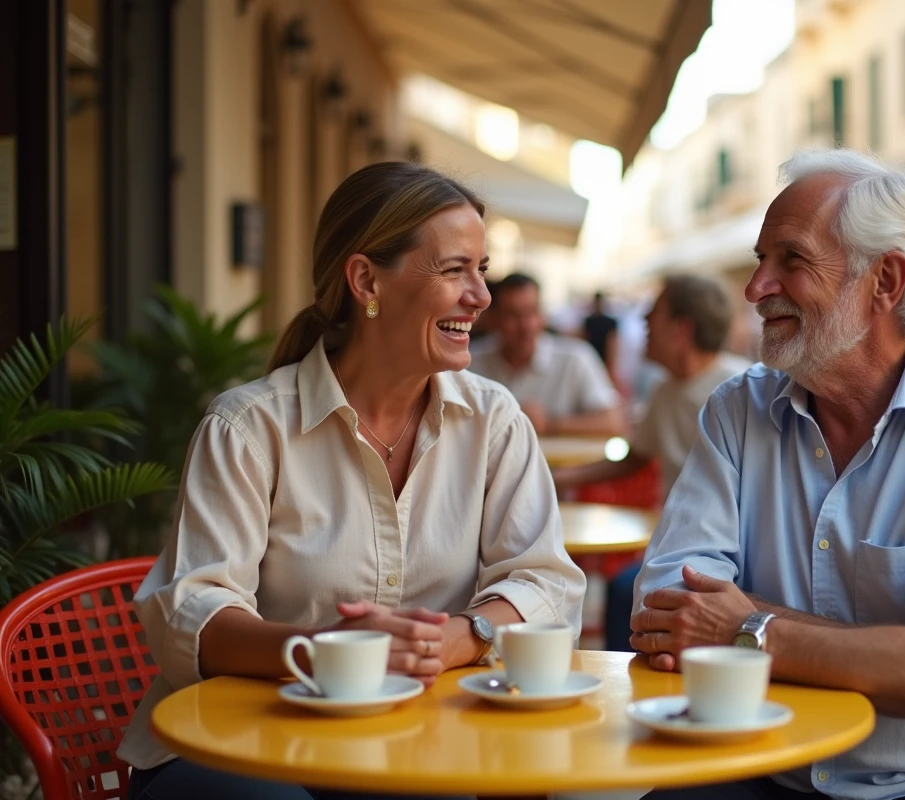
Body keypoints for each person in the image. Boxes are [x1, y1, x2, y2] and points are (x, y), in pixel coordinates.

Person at [116, 163, 586, 800]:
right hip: (243, 748)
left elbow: (546, 581)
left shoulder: (494, 420)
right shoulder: (248, 427)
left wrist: (460, 637)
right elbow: (193, 614)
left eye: (481, 269)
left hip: (416, 745)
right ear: (367, 280)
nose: (481, 296)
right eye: (455, 270)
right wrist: (326, 651)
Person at [631, 148, 905, 800]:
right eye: (760, 260)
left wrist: (749, 625)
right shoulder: (737, 410)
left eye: (791, 260)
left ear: (885, 280)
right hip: (761, 759)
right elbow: (663, 611)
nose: (755, 288)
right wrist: (888, 652)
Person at [552, 275, 751, 649]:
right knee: (625, 589)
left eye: (653, 313)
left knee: (629, 590)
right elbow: (635, 458)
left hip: (726, 555)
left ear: (682, 328)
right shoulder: (665, 389)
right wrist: (560, 477)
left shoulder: (740, 389)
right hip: (680, 543)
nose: (642, 321)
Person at [470, 273, 624, 437]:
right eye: (513, 315)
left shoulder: (575, 357)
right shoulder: (471, 360)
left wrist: (550, 424)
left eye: (532, 312)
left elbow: (614, 422)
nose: (526, 326)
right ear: (493, 319)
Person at [582, 291, 620, 377]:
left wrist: (611, 363)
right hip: (592, 357)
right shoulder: (589, 321)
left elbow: (612, 343)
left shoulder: (610, 322)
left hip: (602, 358)